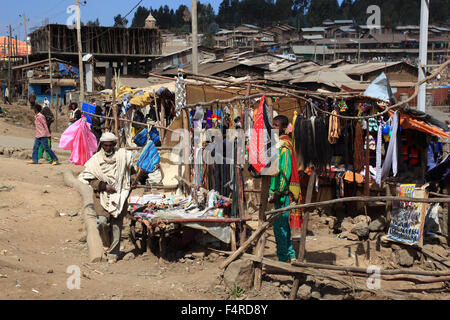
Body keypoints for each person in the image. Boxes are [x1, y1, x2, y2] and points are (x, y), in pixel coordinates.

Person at [78, 132, 134, 264]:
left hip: (119, 195)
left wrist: (131, 181)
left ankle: (113, 254)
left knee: (116, 224)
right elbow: (89, 179)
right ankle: (106, 242)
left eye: (110, 145)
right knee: (102, 222)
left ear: (114, 144)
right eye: (105, 145)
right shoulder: (95, 160)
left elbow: (131, 172)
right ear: (101, 145)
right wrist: (103, 185)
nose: (107, 148)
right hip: (101, 195)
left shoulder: (123, 156)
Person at [268, 115, 300, 263]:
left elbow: (285, 172)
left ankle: (283, 258)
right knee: (283, 225)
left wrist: (276, 191)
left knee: (280, 227)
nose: (274, 128)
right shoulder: (279, 144)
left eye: (276, 125)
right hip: (279, 193)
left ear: (283, 127)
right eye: (273, 125)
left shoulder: (284, 147)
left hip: (282, 194)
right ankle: (290, 254)